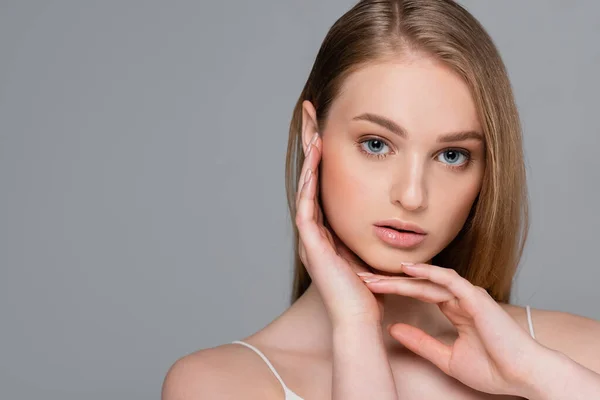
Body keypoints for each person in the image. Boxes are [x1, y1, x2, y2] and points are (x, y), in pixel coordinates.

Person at [162, 0, 600, 398]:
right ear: (313, 136)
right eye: (376, 144)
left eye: (452, 155)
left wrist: (534, 375)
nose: (412, 195)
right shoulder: (218, 384)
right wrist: (355, 329)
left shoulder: (577, 354)